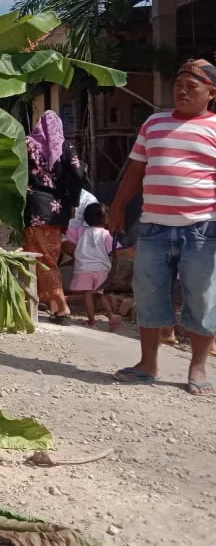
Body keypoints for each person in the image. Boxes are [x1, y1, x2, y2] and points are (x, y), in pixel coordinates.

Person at [110, 59, 216, 395]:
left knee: (202, 298)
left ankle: (197, 367)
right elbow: (135, 170)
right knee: (149, 294)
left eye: (191, 87)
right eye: (178, 85)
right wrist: (117, 206)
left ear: (211, 93)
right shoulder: (154, 123)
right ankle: (148, 364)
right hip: (153, 228)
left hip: (202, 229)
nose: (182, 91)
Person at [23, 111, 85, 325]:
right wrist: (72, 199)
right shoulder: (65, 146)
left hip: (35, 210)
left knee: (42, 260)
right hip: (58, 212)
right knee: (49, 258)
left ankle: (61, 304)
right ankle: (55, 309)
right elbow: (78, 174)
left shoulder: (28, 145)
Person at [65, 203, 121, 331]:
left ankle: (91, 320)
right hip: (101, 269)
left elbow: (67, 233)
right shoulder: (106, 235)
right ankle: (111, 316)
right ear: (106, 219)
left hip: (84, 268)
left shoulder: (80, 231)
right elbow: (115, 249)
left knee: (88, 294)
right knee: (100, 294)